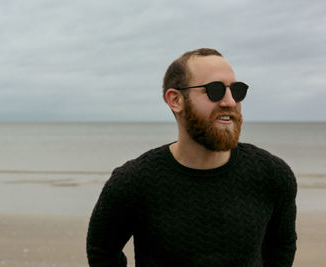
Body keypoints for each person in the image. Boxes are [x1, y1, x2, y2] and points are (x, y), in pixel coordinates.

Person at [86, 48, 297, 266]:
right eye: (214, 90)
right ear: (175, 100)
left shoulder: (272, 175)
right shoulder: (133, 182)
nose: (230, 101)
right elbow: (102, 251)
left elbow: (282, 245)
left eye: (236, 90)